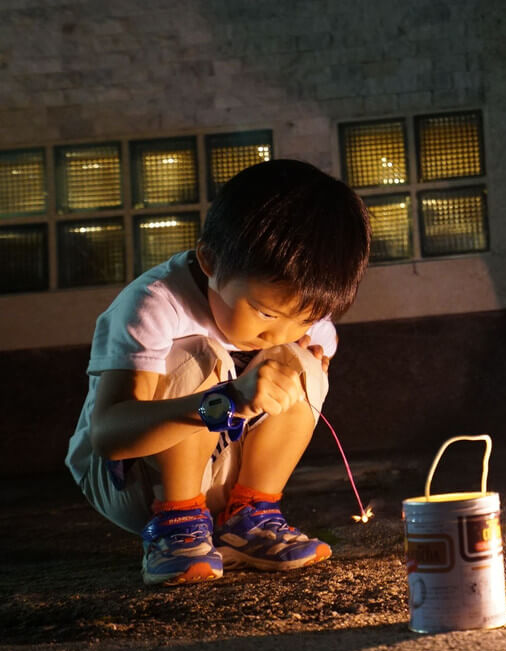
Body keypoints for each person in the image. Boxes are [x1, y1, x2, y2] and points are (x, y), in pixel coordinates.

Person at [66, 159, 371, 585]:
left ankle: (251, 518)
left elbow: (309, 344)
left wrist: (296, 356)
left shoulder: (297, 322)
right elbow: (109, 437)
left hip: (219, 476)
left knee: (298, 363)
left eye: (304, 317)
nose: (276, 331)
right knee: (197, 353)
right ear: (210, 261)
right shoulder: (155, 305)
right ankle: (177, 526)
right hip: (131, 480)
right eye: (264, 311)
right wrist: (223, 402)